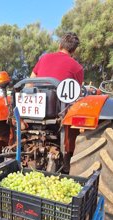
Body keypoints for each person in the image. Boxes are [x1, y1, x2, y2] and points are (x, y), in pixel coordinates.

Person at [30, 32, 84, 173]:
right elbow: (75, 93)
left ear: (59, 45)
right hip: (57, 111)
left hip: (34, 108)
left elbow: (31, 82)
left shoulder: (44, 58)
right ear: (73, 50)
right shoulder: (77, 67)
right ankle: (67, 160)